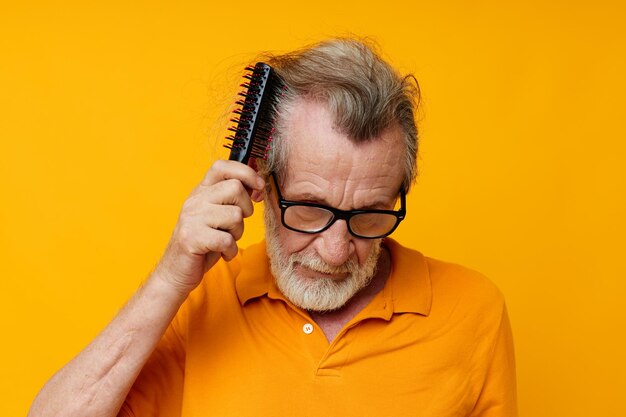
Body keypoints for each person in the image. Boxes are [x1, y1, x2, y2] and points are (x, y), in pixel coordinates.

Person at [28, 38, 517, 417]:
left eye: (369, 214)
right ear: (260, 180)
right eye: (308, 208)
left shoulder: (473, 311)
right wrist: (170, 278)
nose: (334, 249)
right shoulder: (202, 300)